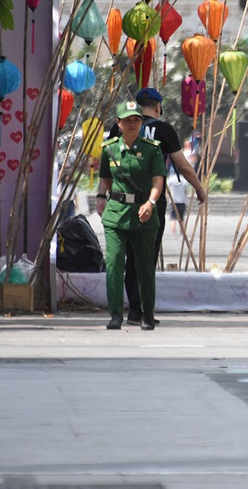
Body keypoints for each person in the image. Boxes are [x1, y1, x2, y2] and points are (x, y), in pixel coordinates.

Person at [109, 88, 208, 325]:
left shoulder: (118, 127)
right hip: (151, 202)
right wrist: (199, 188)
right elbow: (183, 165)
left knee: (128, 256)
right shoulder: (163, 129)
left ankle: (132, 310)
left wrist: (104, 195)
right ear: (158, 107)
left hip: (121, 202)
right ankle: (141, 311)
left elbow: (107, 163)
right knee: (146, 255)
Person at [96, 101, 166, 330]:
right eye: (127, 120)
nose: (132, 124)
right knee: (114, 264)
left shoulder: (152, 149)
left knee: (145, 267)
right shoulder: (109, 149)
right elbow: (106, 178)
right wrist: (107, 197)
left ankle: (147, 313)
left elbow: (158, 180)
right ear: (119, 123)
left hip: (144, 214)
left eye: (136, 120)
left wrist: (151, 202)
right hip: (116, 214)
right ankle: (116, 314)